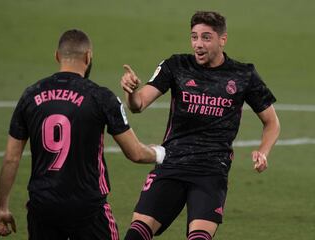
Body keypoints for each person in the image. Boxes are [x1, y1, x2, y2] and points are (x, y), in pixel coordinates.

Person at [120, 11, 280, 240]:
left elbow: (271, 122)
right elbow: (138, 104)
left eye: (206, 37)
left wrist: (263, 152)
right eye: (194, 37)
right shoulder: (176, 66)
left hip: (211, 171)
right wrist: (131, 92)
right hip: (171, 163)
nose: (198, 44)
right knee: (135, 235)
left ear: (222, 40)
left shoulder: (243, 75)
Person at [0, 29, 165, 240]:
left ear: (57, 56)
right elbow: (136, 153)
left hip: (43, 206)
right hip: (88, 208)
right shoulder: (101, 97)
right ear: (88, 56)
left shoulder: (31, 95)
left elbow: (11, 158)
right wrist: (161, 154)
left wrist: (1, 207)